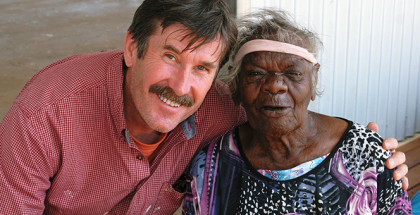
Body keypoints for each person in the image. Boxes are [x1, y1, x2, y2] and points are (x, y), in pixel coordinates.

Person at [0, 0, 407, 214]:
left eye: (202, 67)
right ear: (131, 47)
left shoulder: (219, 110)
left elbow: (282, 110)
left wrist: (369, 151)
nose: (181, 86)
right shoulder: (47, 113)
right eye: (171, 56)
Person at [182, 9, 412, 214]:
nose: (275, 85)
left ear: (313, 81)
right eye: (256, 73)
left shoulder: (367, 154)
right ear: (236, 86)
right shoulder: (212, 163)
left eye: (293, 73)